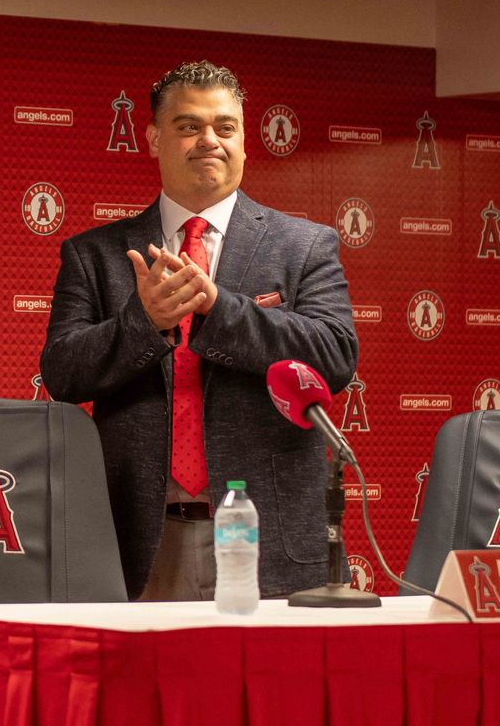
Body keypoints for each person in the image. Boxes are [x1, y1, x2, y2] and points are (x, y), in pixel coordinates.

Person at [40, 61, 356, 601]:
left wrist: (220, 309)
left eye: (225, 127)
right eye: (188, 126)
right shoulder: (95, 255)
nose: (209, 140)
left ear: (243, 141)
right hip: (140, 539)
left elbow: (333, 356)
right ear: (153, 138)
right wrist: (144, 323)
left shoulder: (304, 246)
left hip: (272, 538)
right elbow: (63, 372)